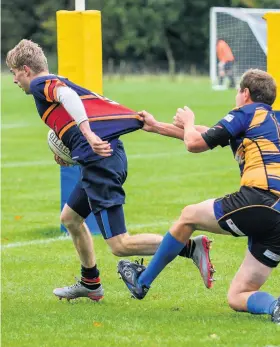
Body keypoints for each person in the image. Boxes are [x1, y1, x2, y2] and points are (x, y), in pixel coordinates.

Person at [6, 39, 215, 302]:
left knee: (120, 245)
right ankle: (90, 282)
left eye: (14, 73)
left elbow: (66, 97)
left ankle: (190, 247)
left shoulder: (40, 83)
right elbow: (76, 112)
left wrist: (86, 135)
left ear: (26, 69)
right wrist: (72, 146)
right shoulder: (59, 82)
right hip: (104, 157)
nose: (14, 80)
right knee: (70, 218)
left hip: (100, 162)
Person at [118, 69, 280, 325]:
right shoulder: (269, 124)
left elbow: (194, 143)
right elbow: (207, 134)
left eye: (237, 92)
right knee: (238, 295)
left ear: (245, 93)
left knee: (188, 216)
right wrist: (156, 127)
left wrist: (188, 121)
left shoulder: (246, 112)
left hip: (262, 199)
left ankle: (141, 282)